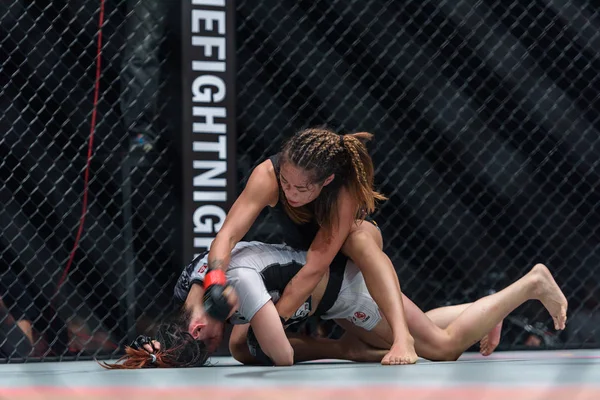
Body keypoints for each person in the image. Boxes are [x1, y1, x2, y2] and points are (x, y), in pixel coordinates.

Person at [101, 241, 568, 368]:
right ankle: (488, 307)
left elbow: (282, 355)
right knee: (247, 344)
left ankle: (527, 285)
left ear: (199, 327)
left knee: (440, 347)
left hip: (347, 291)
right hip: (327, 300)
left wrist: (347, 352)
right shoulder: (195, 292)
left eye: (208, 345)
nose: (217, 344)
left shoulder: (238, 285)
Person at [203, 127, 417, 365]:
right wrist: (215, 278)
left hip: (341, 257)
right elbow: (228, 234)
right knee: (240, 348)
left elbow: (317, 265)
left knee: (441, 347)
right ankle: (344, 350)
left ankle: (402, 337)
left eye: (301, 189)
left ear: (327, 181)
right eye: (285, 182)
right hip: (306, 262)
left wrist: (278, 319)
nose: (290, 192)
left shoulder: (343, 186)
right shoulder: (267, 175)